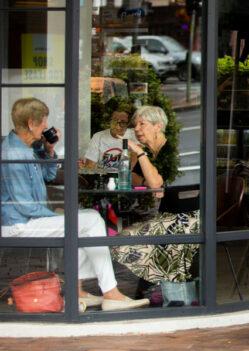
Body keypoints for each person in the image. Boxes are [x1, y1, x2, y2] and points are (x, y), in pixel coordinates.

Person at [0, 98, 148, 311]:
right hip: (20, 224)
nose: (45, 127)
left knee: (86, 220)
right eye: (43, 122)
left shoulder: (26, 146)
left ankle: (81, 292)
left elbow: (49, 175)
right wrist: (56, 214)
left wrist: (49, 149)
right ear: (32, 123)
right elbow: (24, 205)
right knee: (90, 220)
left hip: (29, 218)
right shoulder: (13, 153)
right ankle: (111, 293)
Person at [110, 106, 200, 284]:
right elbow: (134, 178)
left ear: (158, 126)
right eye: (135, 125)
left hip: (183, 217)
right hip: (162, 213)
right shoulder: (152, 152)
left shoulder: (170, 152)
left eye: (142, 124)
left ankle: (156, 286)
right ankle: (154, 287)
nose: (136, 129)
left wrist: (140, 153)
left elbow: (156, 184)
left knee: (124, 241)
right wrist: (141, 167)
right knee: (125, 240)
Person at [83, 105, 139, 169]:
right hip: (103, 176)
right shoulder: (98, 136)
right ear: (109, 121)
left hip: (125, 176)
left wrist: (123, 176)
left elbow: (134, 161)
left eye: (123, 122)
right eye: (114, 121)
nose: (118, 126)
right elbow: (90, 165)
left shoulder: (133, 135)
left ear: (128, 124)